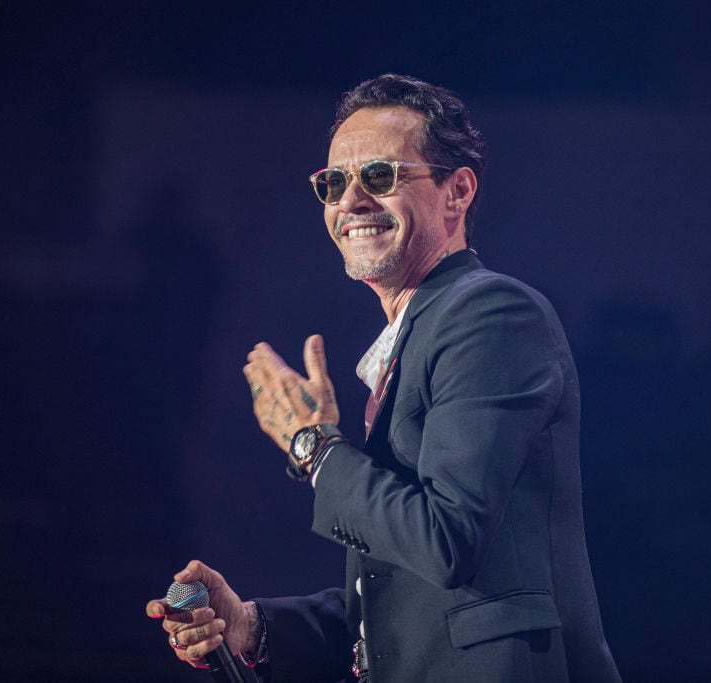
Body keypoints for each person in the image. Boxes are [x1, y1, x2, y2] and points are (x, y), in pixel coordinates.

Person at [146, 74, 621, 682]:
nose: (350, 201)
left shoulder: (492, 314)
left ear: (457, 191)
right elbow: (405, 606)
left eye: (379, 176)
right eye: (333, 183)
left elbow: (445, 541)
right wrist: (252, 626)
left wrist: (313, 446)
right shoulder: (414, 339)